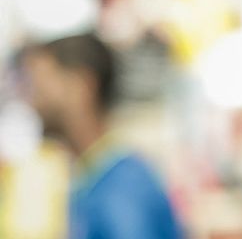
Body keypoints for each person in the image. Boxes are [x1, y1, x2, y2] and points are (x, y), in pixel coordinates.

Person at [18, 34, 184, 239]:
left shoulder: (122, 189)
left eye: (41, 87)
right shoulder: (96, 177)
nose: (34, 103)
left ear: (81, 86)